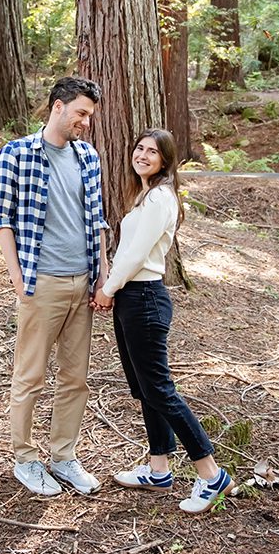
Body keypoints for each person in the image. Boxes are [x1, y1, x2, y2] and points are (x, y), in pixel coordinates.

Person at [93, 128, 234, 514]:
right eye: (139, 148)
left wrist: (108, 288)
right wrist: (112, 286)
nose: (142, 155)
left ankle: (211, 474)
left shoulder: (159, 197)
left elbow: (136, 253)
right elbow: (127, 248)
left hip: (144, 299)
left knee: (160, 389)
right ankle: (159, 469)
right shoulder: (144, 196)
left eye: (152, 152)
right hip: (131, 299)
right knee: (144, 388)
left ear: (165, 160)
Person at [0, 77, 108, 497]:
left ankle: (63, 457)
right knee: (31, 376)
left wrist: (102, 274)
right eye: (81, 113)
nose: (86, 122)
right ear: (57, 107)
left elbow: (96, 220)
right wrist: (18, 277)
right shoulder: (18, 153)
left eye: (89, 115)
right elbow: (1, 218)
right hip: (42, 284)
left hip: (83, 283)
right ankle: (25, 459)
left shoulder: (88, 156)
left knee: (76, 378)